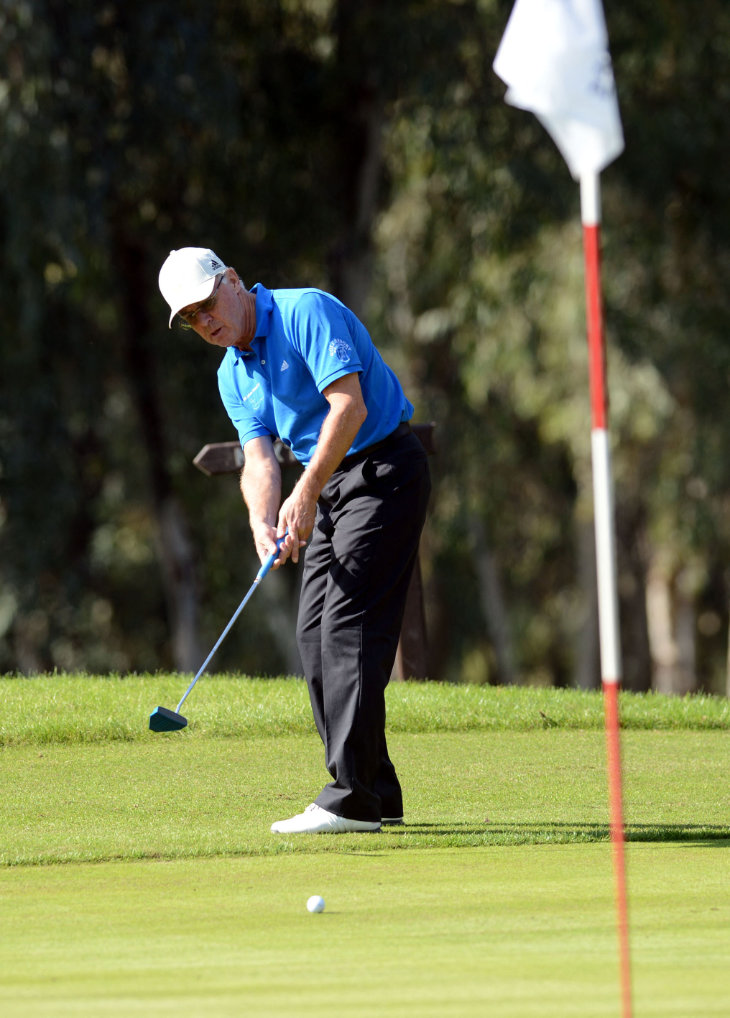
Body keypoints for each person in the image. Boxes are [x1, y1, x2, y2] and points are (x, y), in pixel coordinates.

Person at [159, 247, 431, 834]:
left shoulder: (305, 311)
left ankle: (351, 798)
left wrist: (305, 493)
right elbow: (258, 461)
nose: (205, 322)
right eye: (191, 319)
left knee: (348, 627)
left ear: (232, 280)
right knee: (313, 636)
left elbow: (349, 406)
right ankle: (377, 790)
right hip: (331, 490)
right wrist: (262, 521)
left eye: (207, 304)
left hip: (384, 472)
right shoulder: (232, 372)